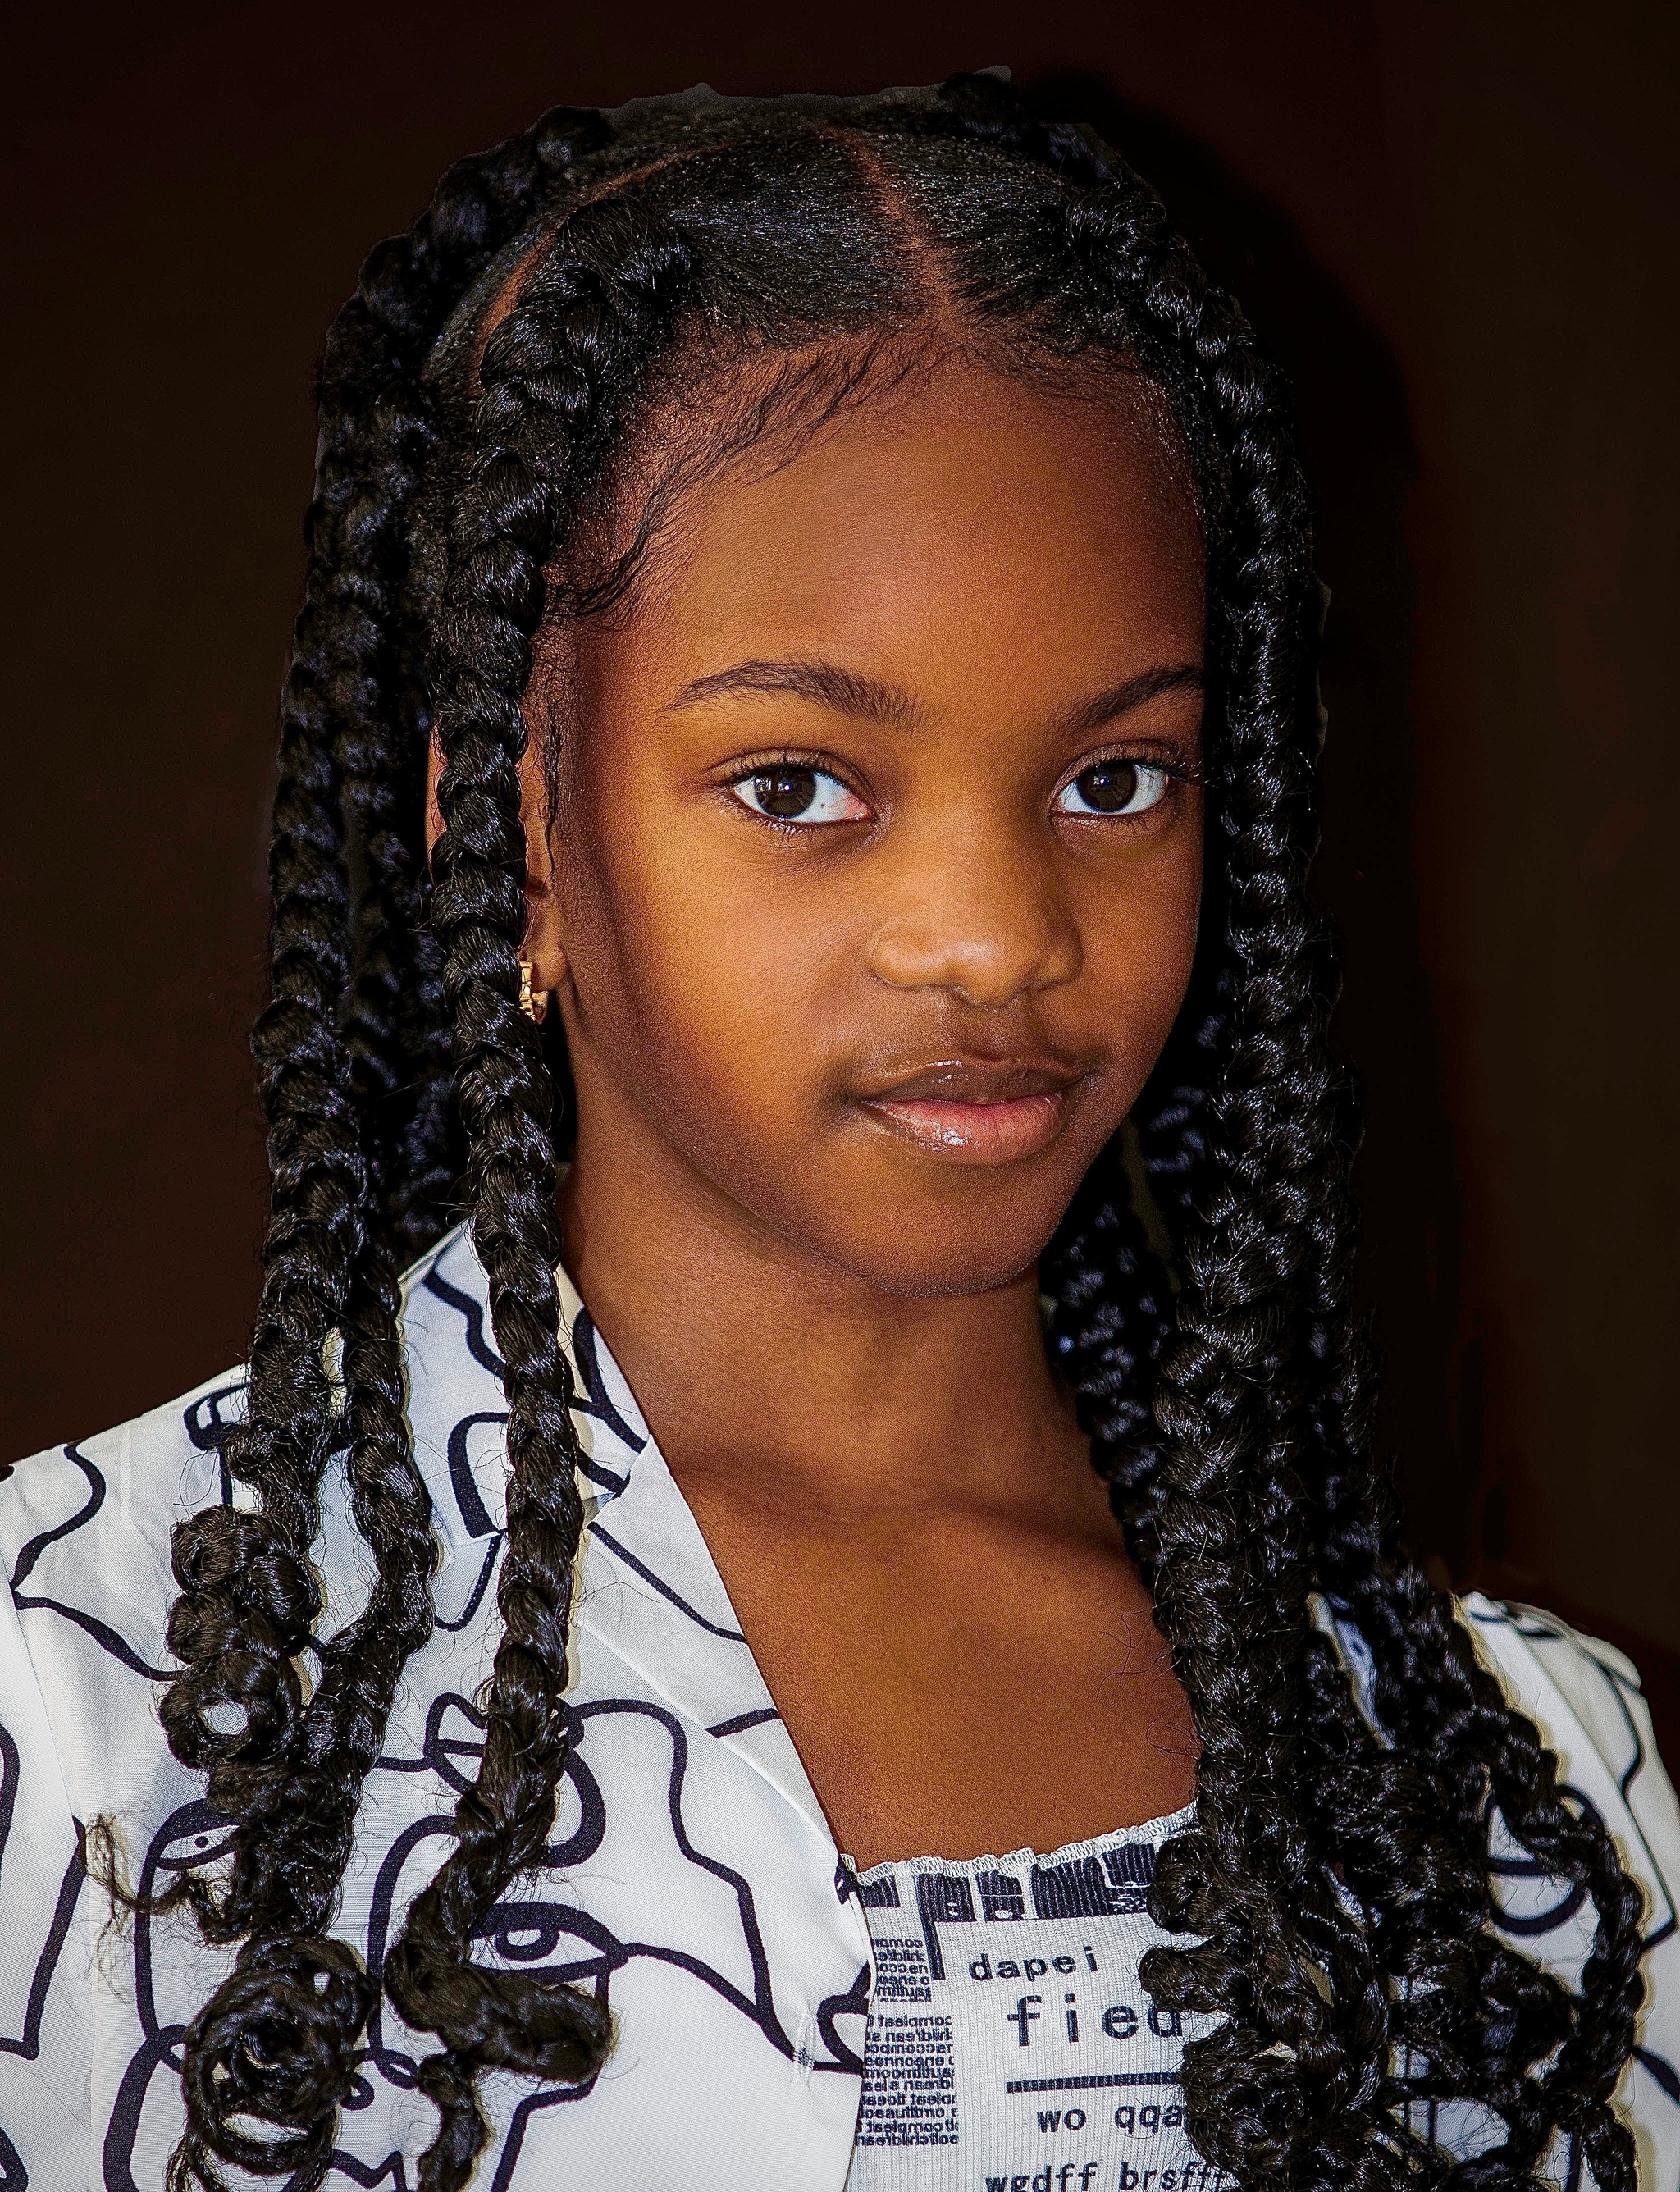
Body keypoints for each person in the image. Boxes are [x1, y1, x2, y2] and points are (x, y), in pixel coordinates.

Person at [0, 73, 1673, 2192]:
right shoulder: (75, 1711)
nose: (992, 940)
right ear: (506, 839)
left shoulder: (1517, 1778)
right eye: (800, 783)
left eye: (1115, 781)